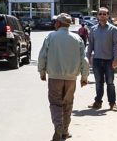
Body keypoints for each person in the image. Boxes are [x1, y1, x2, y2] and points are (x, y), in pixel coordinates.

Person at [38, 13, 90, 141]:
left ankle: (58, 126)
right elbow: (84, 60)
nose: (55, 24)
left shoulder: (51, 36)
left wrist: (42, 71)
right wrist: (84, 77)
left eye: (56, 22)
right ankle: (65, 131)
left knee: (55, 104)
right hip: (71, 78)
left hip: (55, 77)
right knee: (67, 104)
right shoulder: (77, 38)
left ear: (59, 23)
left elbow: (42, 56)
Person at [86, 6, 117, 111]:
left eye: (104, 14)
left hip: (109, 60)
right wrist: (87, 58)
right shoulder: (93, 29)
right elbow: (90, 44)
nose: (102, 16)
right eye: (100, 14)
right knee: (98, 82)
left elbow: (116, 45)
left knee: (110, 82)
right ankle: (98, 102)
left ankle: (112, 103)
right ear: (97, 16)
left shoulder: (113, 29)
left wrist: (116, 59)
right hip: (97, 60)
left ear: (108, 16)